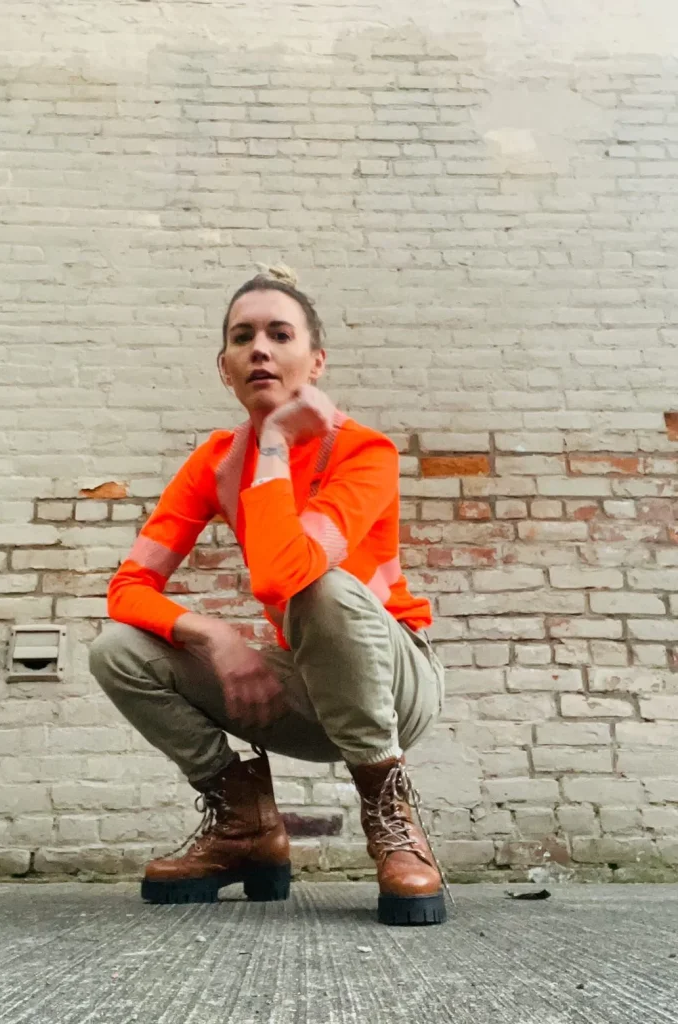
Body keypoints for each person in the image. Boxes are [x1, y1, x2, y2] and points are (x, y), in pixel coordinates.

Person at [89, 266, 447, 926]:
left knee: (322, 588)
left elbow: (288, 575)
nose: (259, 348)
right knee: (117, 651)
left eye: (280, 335)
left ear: (315, 361)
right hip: (306, 689)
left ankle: (391, 816)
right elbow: (127, 588)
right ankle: (245, 827)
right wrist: (211, 636)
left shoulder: (364, 452)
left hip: (396, 685)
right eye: (242, 337)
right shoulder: (214, 462)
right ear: (224, 368)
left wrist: (276, 444)